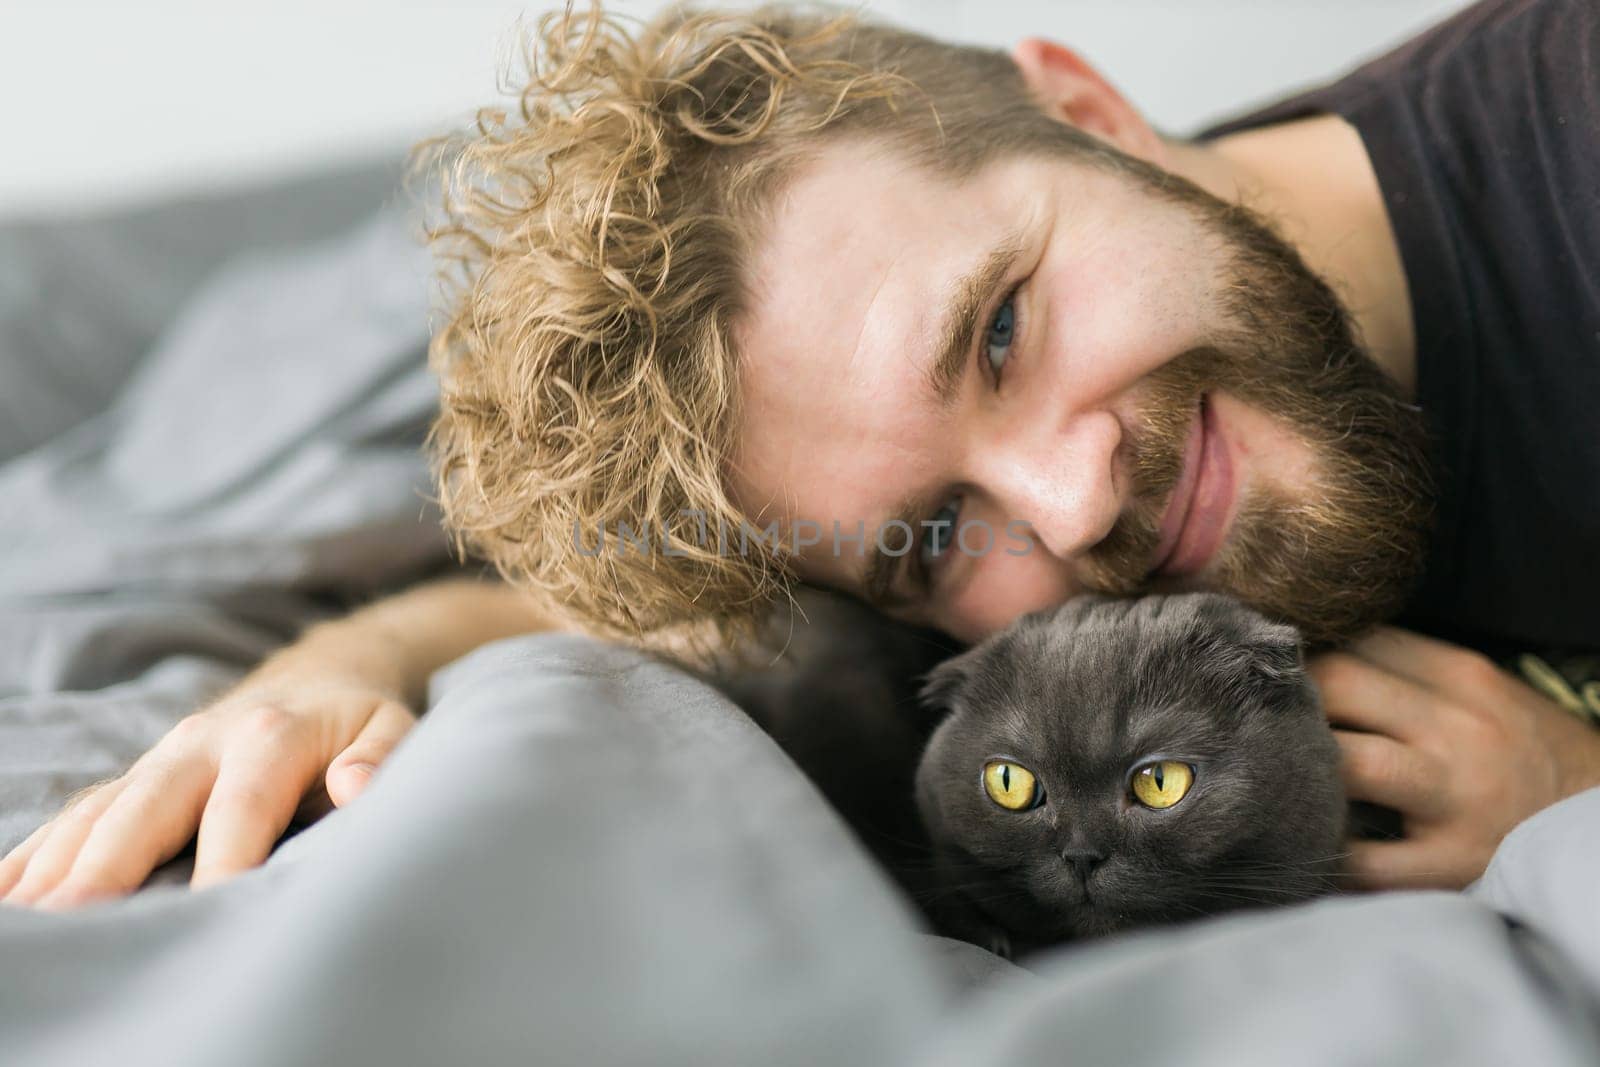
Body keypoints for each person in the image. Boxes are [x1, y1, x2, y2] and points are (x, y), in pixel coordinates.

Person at [3, 0, 1596, 910]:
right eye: (939, 522)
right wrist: (314, 688)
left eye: (997, 332)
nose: (1073, 497)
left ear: (1094, 114)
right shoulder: (986, 590)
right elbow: (590, 625)